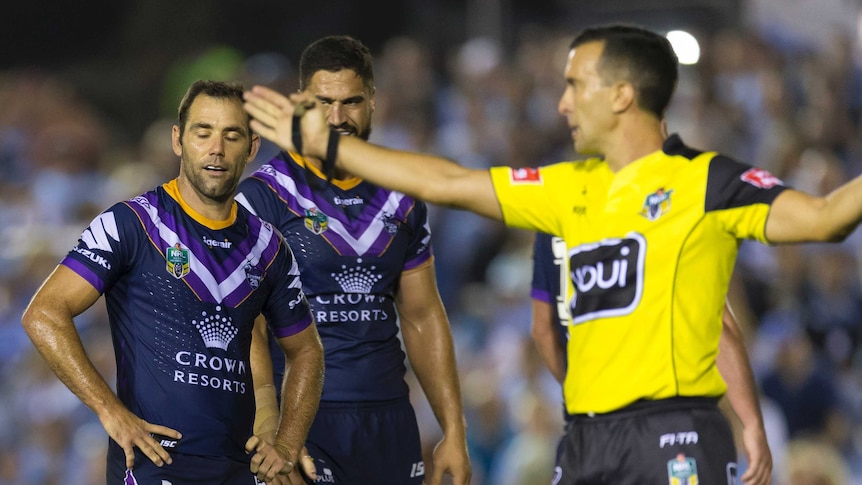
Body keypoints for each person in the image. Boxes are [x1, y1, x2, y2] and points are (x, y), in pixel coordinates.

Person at [242, 22, 842, 483]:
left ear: (622, 96)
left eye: (576, 85)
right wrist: (325, 146)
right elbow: (448, 182)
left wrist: (750, 419)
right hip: (585, 437)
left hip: (674, 429)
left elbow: (823, 219)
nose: (561, 103)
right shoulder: (564, 186)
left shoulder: (706, 182)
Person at [21, 79, 325, 485]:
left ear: (252, 147)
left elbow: (306, 351)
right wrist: (109, 410)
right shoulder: (131, 224)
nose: (216, 148)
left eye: (232, 135)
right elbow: (43, 313)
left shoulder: (270, 247)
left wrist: (287, 444)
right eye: (203, 132)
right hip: (151, 467)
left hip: (238, 471)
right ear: (178, 140)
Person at [236, 36, 471, 485]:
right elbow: (249, 327)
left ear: (373, 101)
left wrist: (454, 432)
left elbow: (422, 316)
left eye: (352, 102)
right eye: (324, 102)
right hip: (306, 422)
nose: (338, 118)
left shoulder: (403, 195)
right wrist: (272, 424)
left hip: (389, 419)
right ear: (302, 102)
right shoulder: (263, 197)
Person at [529, 232, 772, 483]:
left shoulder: (551, 222)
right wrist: (752, 423)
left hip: (586, 435)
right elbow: (717, 324)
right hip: (668, 421)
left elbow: (543, 332)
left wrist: (585, 394)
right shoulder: (658, 209)